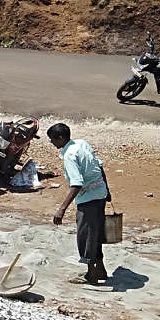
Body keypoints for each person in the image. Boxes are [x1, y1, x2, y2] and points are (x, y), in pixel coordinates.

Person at [47, 122, 110, 284]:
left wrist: (61, 209)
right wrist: (107, 190)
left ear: (60, 138)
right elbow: (99, 165)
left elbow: (77, 183)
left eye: (52, 139)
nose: (51, 142)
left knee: (86, 236)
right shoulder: (82, 143)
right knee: (95, 233)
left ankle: (91, 274)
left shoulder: (69, 156)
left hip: (88, 198)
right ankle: (101, 269)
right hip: (100, 193)